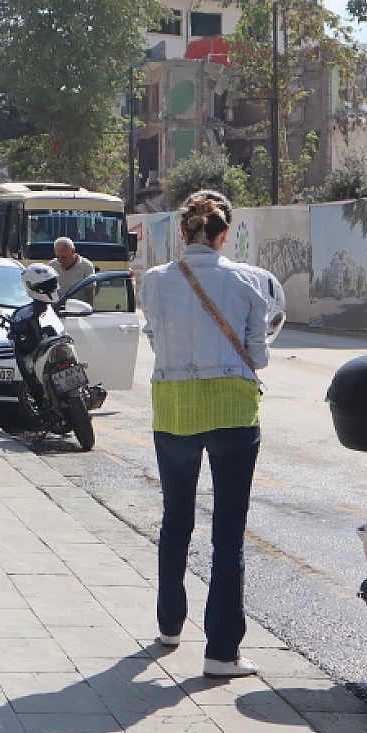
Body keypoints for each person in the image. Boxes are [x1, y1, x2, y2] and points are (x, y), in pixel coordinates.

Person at [140, 190, 285, 679]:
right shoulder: (247, 282)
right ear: (225, 235)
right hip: (232, 411)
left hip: (174, 408)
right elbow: (259, 356)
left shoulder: (155, 282)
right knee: (227, 533)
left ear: (183, 232)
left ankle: (168, 626)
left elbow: (157, 341)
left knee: (175, 520)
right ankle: (222, 653)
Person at [49, 237, 97, 304]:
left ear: (73, 252)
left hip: (79, 309)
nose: (60, 261)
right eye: (58, 257)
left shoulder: (86, 266)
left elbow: (90, 293)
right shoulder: (52, 265)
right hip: (58, 308)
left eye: (64, 257)